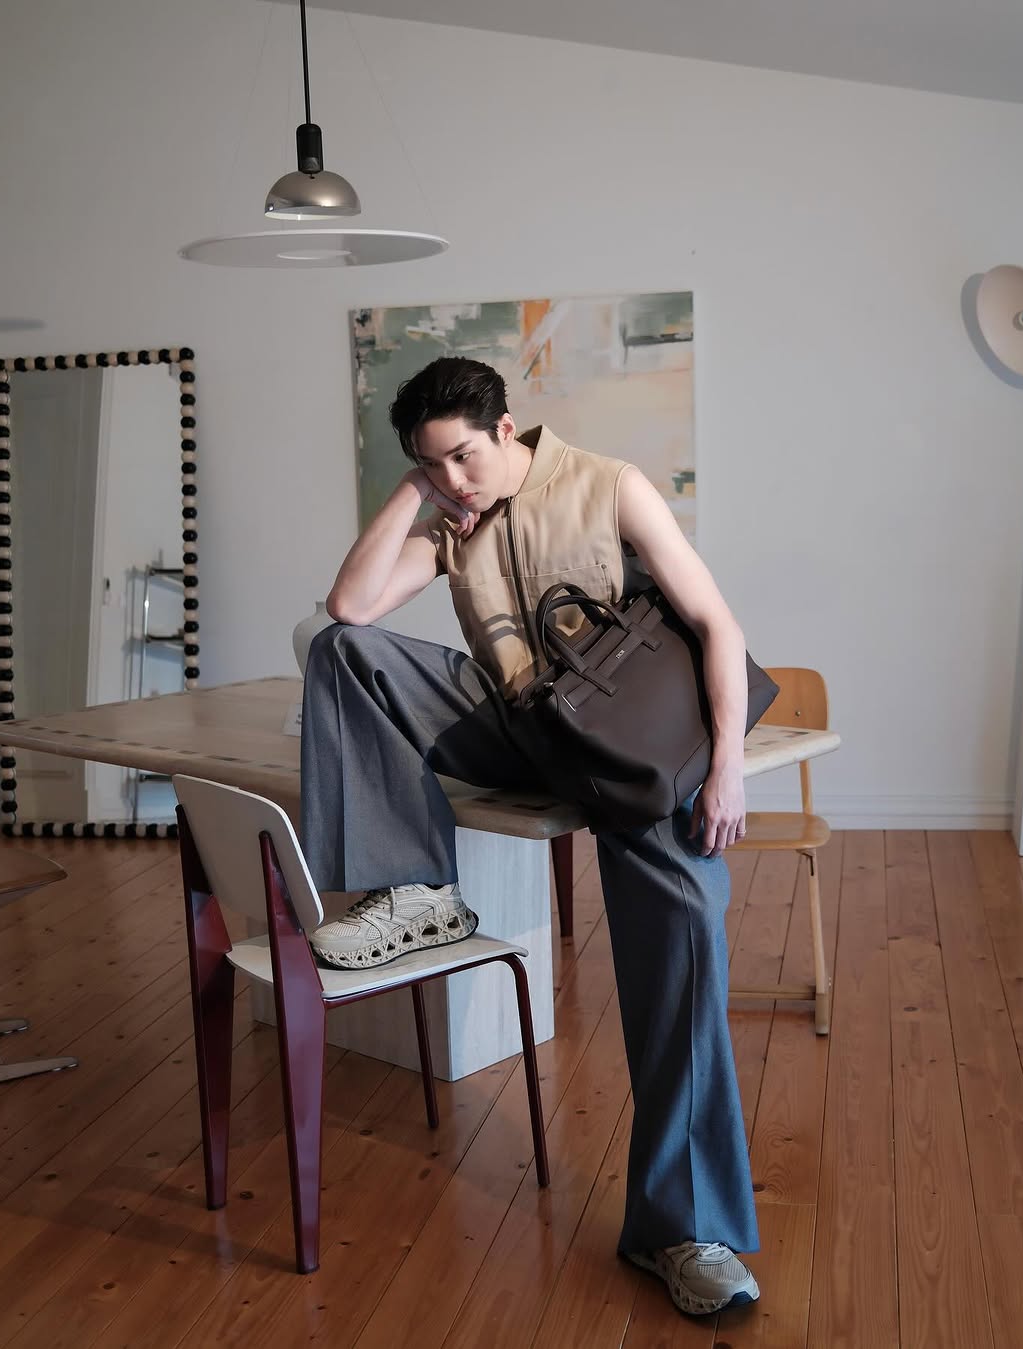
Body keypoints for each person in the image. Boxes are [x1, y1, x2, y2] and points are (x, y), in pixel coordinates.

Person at [299, 356, 760, 1317]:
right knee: (342, 651)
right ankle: (418, 889)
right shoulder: (448, 520)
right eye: (433, 464)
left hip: (625, 751)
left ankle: (686, 1230)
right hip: (518, 731)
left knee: (685, 954)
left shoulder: (610, 485)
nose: (455, 479)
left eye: (464, 456)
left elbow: (717, 621)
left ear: (506, 429)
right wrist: (414, 493)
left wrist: (727, 766)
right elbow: (349, 607)